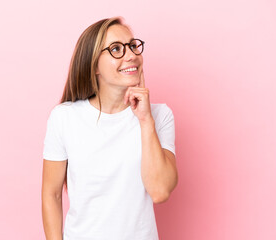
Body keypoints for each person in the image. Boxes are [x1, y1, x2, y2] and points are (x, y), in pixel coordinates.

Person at [41, 16, 178, 240]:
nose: (132, 55)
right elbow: (51, 194)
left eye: (133, 46)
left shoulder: (160, 116)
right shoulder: (64, 118)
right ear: (94, 65)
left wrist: (145, 120)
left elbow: (160, 191)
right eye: (116, 49)